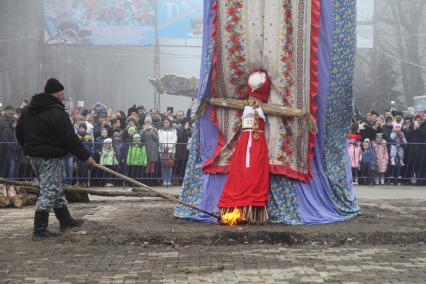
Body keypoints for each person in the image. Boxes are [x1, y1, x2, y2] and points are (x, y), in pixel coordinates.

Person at [16, 78, 95, 241]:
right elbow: (70, 138)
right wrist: (85, 157)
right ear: (54, 94)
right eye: (61, 93)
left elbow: (19, 132)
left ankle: (65, 220)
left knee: (55, 186)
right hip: (49, 156)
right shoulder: (57, 113)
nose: (63, 96)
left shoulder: (28, 110)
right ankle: (39, 229)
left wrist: (27, 148)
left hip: (33, 155)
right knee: (49, 190)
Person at [217, 71, 271, 223]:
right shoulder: (247, 106)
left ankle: (252, 209)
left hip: (256, 141)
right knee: (240, 171)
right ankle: (236, 209)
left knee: (255, 171)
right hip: (246, 142)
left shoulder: (262, 107)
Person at [158, 118, 177, 186]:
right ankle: (164, 180)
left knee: (170, 165)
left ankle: (169, 180)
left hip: (171, 151)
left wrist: (169, 146)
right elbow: (160, 139)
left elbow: (174, 139)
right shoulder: (160, 130)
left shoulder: (174, 130)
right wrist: (164, 146)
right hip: (162, 150)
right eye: (164, 122)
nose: (166, 123)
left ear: (169, 123)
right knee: (163, 166)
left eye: (167, 122)